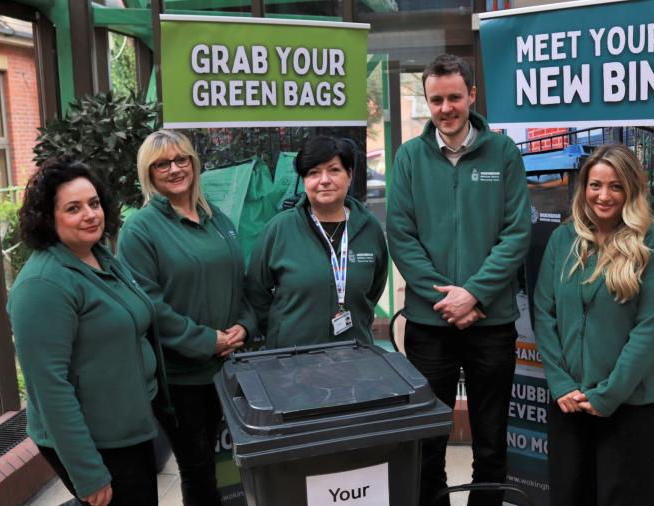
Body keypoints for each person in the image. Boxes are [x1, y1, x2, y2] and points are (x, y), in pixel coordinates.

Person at [386, 54, 531, 506]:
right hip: (430, 326)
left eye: (454, 97)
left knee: (491, 438)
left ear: (472, 95)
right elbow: (402, 235)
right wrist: (447, 300)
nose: (445, 108)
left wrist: (475, 293)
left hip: (490, 322)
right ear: (426, 102)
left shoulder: (503, 153)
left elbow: (516, 233)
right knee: (429, 439)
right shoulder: (409, 157)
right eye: (436, 99)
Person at [9, 158, 169, 506]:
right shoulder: (42, 285)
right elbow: (49, 388)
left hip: (130, 427)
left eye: (94, 203)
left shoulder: (99, 256)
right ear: (48, 218)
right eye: (73, 208)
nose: (90, 214)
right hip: (99, 443)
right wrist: (87, 474)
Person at [533, 144, 654, 506]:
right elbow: (543, 313)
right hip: (569, 403)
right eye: (595, 185)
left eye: (615, 186)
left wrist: (608, 394)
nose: (604, 195)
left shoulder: (653, 243)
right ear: (583, 188)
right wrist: (561, 383)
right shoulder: (563, 239)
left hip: (628, 406)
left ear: (631, 189)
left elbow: (650, 330)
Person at [117, 130, 256, 505]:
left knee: (232, 463)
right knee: (198, 470)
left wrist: (245, 325)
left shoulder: (216, 217)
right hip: (181, 380)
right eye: (162, 164)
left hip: (228, 368)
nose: (175, 169)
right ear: (148, 173)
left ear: (194, 164)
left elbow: (237, 281)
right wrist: (207, 341)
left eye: (182, 160)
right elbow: (148, 304)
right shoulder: (140, 230)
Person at [246, 135, 388, 348]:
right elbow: (256, 293)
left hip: (355, 356)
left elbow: (374, 289)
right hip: (291, 359)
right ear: (304, 181)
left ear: (349, 176)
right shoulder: (279, 229)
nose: (324, 180)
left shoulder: (369, 228)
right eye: (313, 173)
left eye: (334, 170)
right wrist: (279, 329)